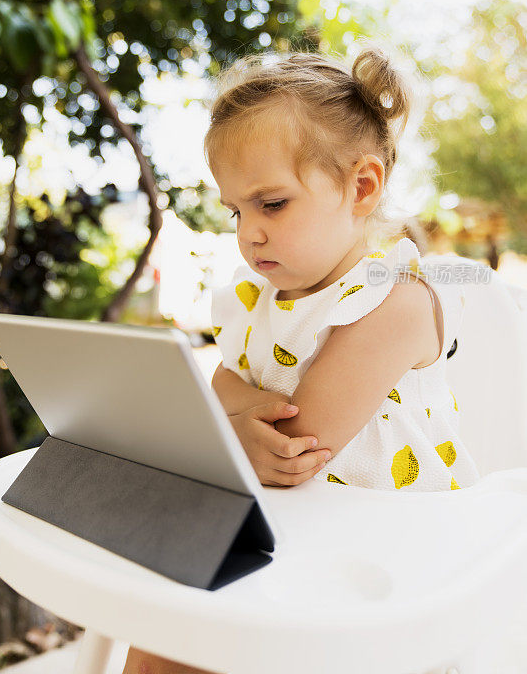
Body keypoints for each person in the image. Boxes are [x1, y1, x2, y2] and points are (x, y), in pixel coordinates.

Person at [122, 44, 480, 674]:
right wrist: (234, 422)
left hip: (392, 560)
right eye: (237, 210)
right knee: (161, 623)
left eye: (272, 203)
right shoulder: (258, 297)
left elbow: (293, 446)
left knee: (190, 628)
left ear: (361, 186)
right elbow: (225, 383)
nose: (247, 232)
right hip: (300, 531)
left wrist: (228, 424)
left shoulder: (390, 301)